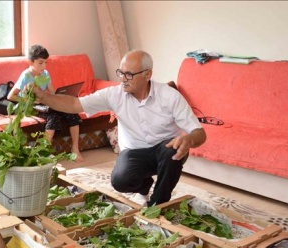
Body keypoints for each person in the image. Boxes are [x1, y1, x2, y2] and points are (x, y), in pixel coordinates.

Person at [29, 50, 206, 206]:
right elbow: (75, 104)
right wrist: (43, 97)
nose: (123, 79)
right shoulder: (115, 94)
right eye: (121, 73)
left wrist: (188, 139)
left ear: (147, 74)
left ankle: (157, 205)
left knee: (172, 150)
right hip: (134, 153)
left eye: (129, 74)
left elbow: (199, 133)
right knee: (120, 181)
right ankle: (145, 185)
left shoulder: (169, 96)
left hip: (165, 152)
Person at [7, 44, 85, 162]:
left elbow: (53, 92)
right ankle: (44, 152)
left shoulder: (45, 74)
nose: (44, 66)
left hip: (43, 103)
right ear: (30, 62)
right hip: (31, 106)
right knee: (53, 116)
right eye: (40, 63)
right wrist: (29, 100)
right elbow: (11, 96)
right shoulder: (26, 76)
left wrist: (63, 99)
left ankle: (75, 149)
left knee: (72, 112)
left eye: (45, 62)